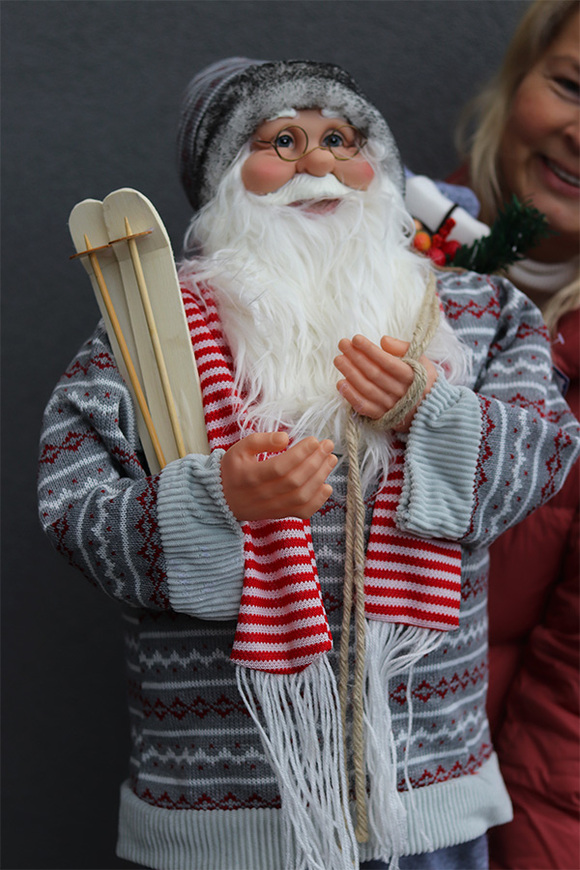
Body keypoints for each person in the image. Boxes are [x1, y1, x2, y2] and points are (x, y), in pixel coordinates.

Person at [37, 58, 580, 870]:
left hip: (424, 797)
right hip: (216, 815)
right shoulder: (150, 334)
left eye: (341, 138)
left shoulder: (474, 312)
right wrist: (213, 501)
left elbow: (543, 456)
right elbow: (74, 506)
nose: (320, 164)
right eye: (282, 141)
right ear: (225, 177)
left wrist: (429, 415)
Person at [446, 2, 580, 866]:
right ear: (517, 80)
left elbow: (569, 717)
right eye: (570, 85)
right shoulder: (378, 243)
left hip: (468, 828)